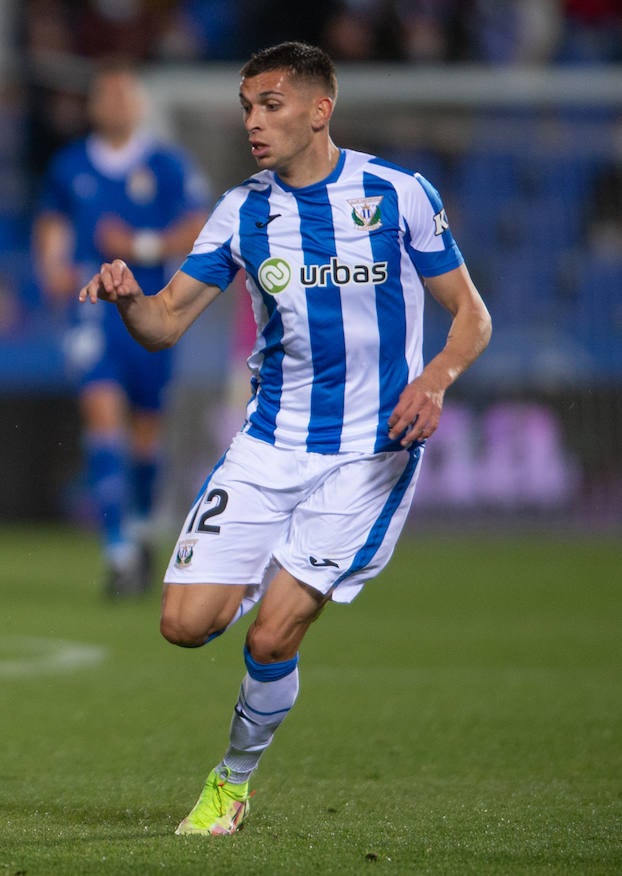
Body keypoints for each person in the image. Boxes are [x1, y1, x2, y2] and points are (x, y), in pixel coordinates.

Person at [78, 41, 491, 835]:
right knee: (184, 624)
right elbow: (164, 324)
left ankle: (230, 783)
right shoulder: (243, 210)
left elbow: (471, 314)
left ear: (318, 109)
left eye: (270, 105)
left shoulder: (396, 193)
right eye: (247, 107)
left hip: (371, 450)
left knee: (273, 632)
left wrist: (434, 379)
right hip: (270, 443)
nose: (253, 122)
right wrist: (130, 294)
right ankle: (253, 583)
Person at [33, 60, 209, 598]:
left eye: (121, 94)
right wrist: (52, 268)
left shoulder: (166, 164)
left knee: (146, 432)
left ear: (136, 105)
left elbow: (200, 225)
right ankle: (117, 552)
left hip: (151, 309)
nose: (113, 104)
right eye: (104, 95)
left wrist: (139, 248)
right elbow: (52, 224)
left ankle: (138, 527)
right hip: (92, 312)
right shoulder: (69, 167)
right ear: (93, 106)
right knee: (102, 413)